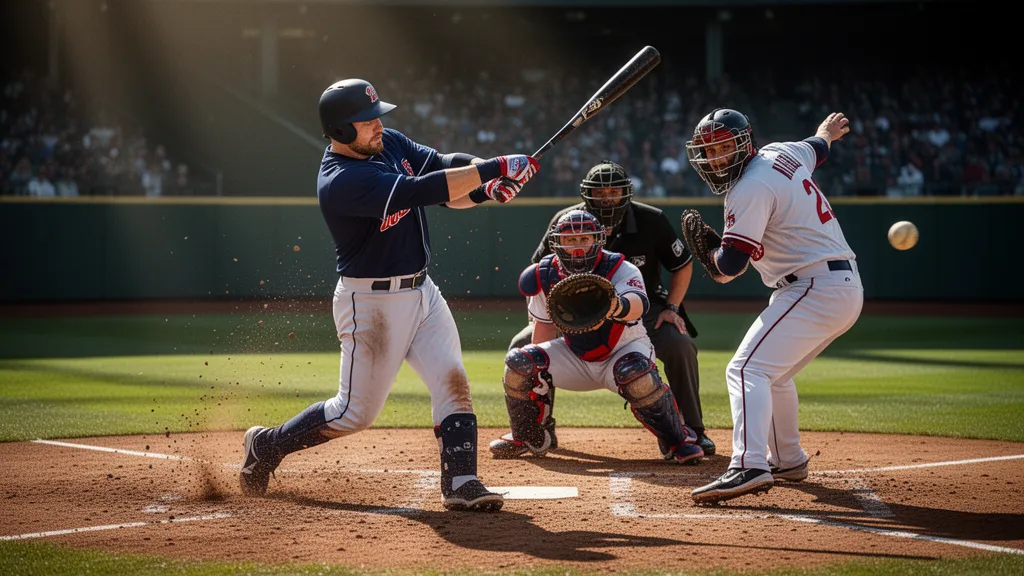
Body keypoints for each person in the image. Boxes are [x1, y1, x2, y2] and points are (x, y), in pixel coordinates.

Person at [239, 79, 541, 512]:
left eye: (378, 115)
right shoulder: (342, 180)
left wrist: (483, 188)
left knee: (452, 380)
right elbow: (423, 190)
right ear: (341, 131)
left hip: (423, 292)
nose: (378, 125)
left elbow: (440, 167)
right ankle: (265, 446)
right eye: (367, 121)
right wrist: (495, 168)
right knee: (352, 415)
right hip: (372, 305)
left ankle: (461, 481)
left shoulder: (388, 144)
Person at [683, 109, 862, 504]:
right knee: (773, 375)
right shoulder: (782, 153)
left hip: (815, 286)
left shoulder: (749, 187)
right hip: (835, 285)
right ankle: (788, 459)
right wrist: (826, 132)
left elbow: (729, 268)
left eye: (724, 147)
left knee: (746, 368)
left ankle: (749, 464)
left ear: (745, 143)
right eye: (709, 151)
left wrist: (710, 254)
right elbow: (818, 148)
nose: (715, 158)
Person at [501, 161, 715, 456]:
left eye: (614, 191)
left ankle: (688, 431)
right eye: (600, 192)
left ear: (599, 240)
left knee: (678, 346)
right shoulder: (563, 223)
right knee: (521, 351)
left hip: (639, 309)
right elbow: (543, 280)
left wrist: (672, 307)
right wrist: (543, 355)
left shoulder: (643, 231)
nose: (607, 198)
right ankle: (535, 429)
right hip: (571, 312)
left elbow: (677, 268)